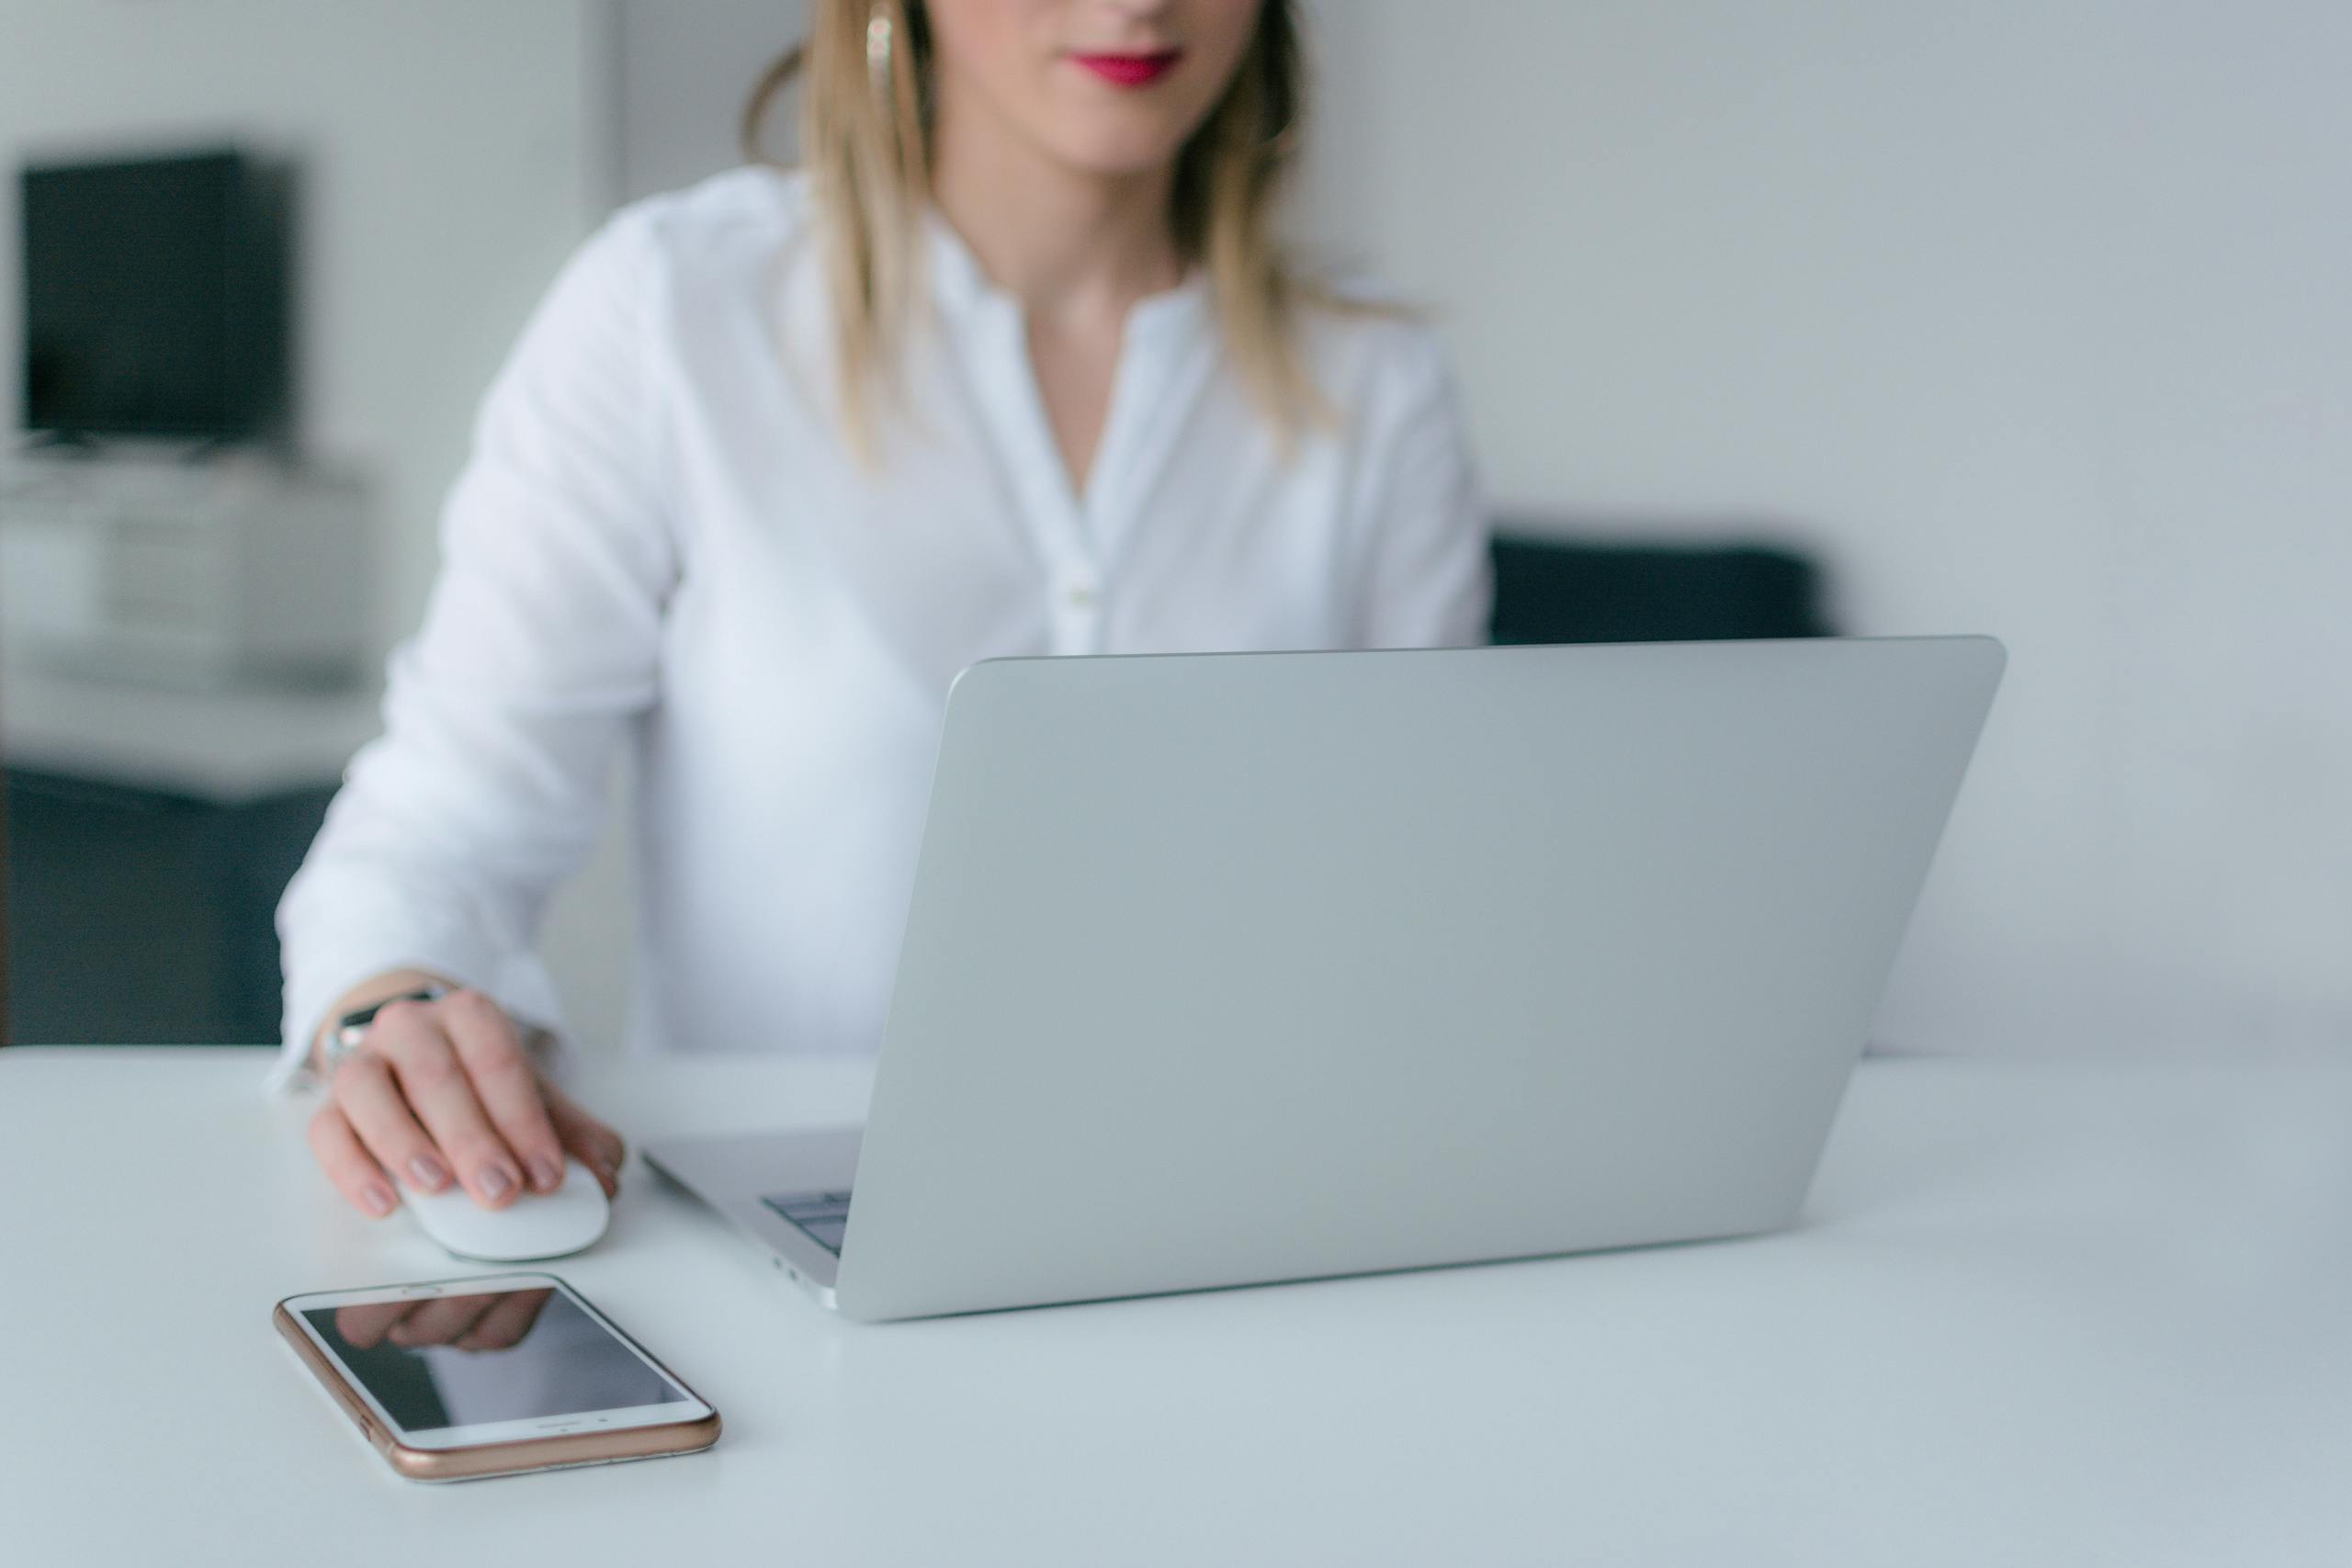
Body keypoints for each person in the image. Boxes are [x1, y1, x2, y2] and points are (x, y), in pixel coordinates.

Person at [274, 0, 1491, 1220]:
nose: (1136, 3)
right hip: (791, 1224)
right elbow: (440, 830)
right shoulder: (674, 312)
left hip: (1246, 1218)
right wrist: (394, 1013)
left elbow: (1423, 900)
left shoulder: (1376, 385)